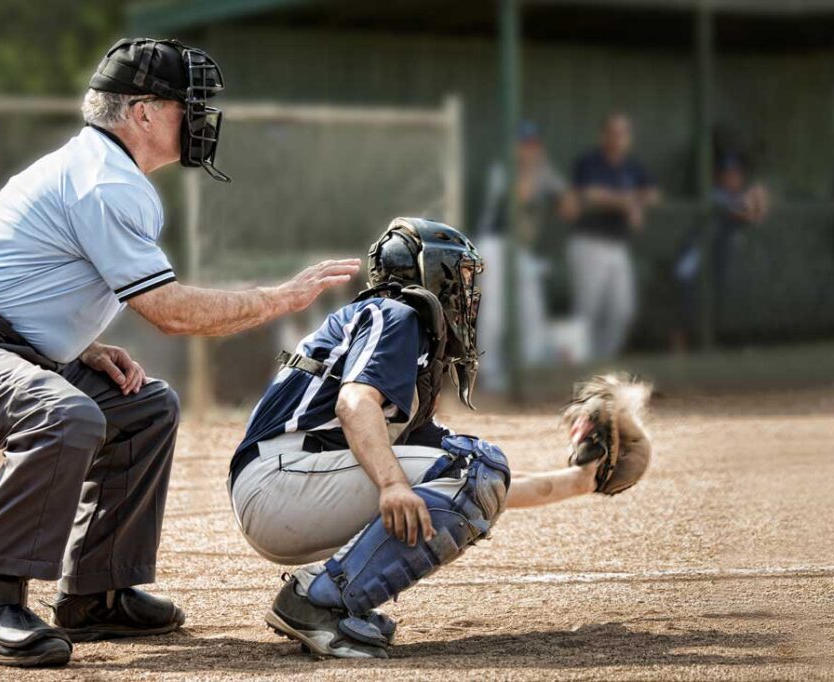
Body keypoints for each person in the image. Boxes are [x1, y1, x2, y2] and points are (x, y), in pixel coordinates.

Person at [0, 38, 358, 668]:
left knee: (143, 407)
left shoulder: (100, 168)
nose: (200, 120)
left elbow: (21, 276)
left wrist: (80, 345)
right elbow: (170, 312)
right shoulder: (105, 180)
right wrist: (279, 299)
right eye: (188, 105)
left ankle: (98, 594)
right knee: (64, 414)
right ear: (143, 112)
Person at [226, 218, 650, 659]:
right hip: (283, 480)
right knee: (475, 467)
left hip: (288, 483)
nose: (469, 293)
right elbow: (354, 404)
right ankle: (317, 602)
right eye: (463, 275)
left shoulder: (397, 340)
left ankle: (327, 601)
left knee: (474, 471)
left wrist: (581, 480)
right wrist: (391, 485)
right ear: (432, 273)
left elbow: (479, 486)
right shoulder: (397, 313)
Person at [474, 121, 576, 389]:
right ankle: (491, 374)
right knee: (494, 313)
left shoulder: (544, 171)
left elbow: (570, 209)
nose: (528, 150)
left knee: (532, 313)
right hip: (494, 246)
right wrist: (538, 171)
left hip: (522, 252)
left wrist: (560, 189)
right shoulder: (502, 170)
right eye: (523, 145)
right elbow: (522, 193)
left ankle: (530, 373)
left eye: (532, 144)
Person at [567, 113, 660, 359]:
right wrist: (628, 203)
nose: (619, 138)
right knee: (587, 312)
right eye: (614, 133)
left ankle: (600, 363)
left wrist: (636, 203)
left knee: (623, 311)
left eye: (624, 133)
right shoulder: (590, 162)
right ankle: (580, 365)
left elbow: (653, 194)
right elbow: (591, 195)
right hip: (589, 243)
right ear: (604, 136)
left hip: (618, 247)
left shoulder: (632, 166)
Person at [672, 153, 770, 349]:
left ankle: (709, 344)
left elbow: (756, 213)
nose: (731, 178)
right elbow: (744, 212)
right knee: (686, 293)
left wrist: (758, 197)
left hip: (718, 259)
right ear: (719, 177)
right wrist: (752, 201)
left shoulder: (737, 195)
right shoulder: (714, 194)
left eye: (735, 174)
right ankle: (678, 347)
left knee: (716, 300)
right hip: (697, 253)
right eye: (727, 174)